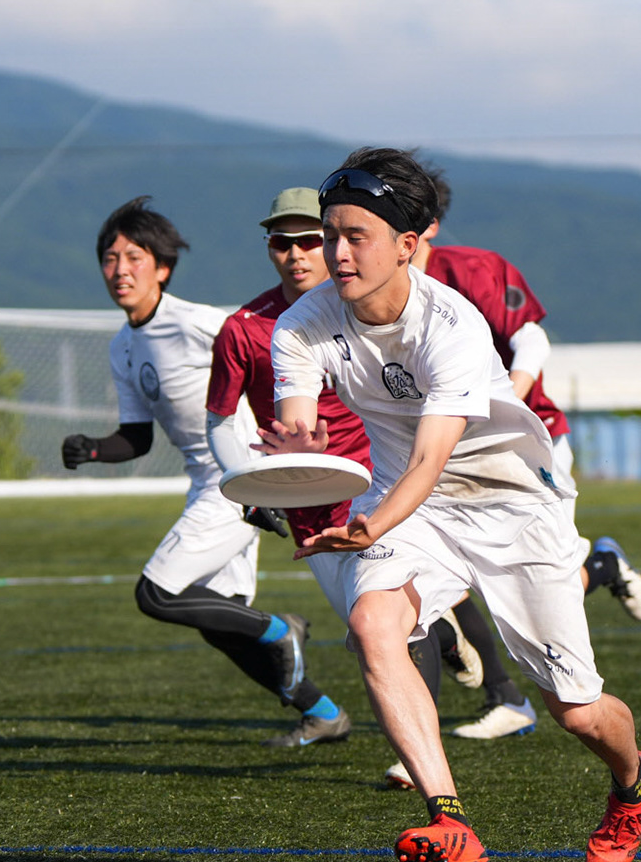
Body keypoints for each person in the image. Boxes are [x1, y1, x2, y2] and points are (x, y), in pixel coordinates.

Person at [263, 148, 641, 862]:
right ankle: (449, 821)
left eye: (356, 237)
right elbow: (299, 421)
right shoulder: (300, 325)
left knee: (576, 710)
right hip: (410, 501)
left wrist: (370, 526)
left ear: (407, 245)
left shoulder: (453, 326)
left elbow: (431, 459)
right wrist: (295, 453)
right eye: (330, 235)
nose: (336, 253)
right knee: (372, 625)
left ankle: (631, 785)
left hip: (511, 501)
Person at [61, 196, 351, 748]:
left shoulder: (199, 323)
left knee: (156, 595)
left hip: (239, 477)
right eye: (110, 259)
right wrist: (92, 449)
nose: (120, 271)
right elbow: (137, 438)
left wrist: (266, 473)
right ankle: (324, 712)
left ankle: (281, 628)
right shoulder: (123, 346)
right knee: (220, 625)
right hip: (208, 482)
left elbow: (267, 350)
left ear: (163, 268)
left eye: (134, 258)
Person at [203, 187, 483, 748]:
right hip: (309, 506)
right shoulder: (246, 327)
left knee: (391, 631)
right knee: (367, 629)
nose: (298, 254)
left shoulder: (377, 305)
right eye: (282, 243)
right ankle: (447, 638)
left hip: (380, 487)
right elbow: (218, 420)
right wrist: (257, 484)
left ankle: (420, 759)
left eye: (313, 239)